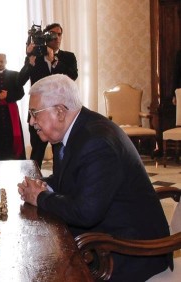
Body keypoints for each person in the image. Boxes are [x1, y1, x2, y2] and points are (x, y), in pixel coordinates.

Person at [17, 74, 172, 281]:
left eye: (34, 113)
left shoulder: (97, 142)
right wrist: (43, 184)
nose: (31, 121)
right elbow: (71, 179)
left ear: (60, 112)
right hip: (108, 234)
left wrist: (40, 197)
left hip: (130, 251)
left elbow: (86, 213)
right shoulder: (76, 130)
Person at [23, 23, 78, 168]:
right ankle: (33, 183)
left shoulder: (68, 57)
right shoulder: (35, 57)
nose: (57, 37)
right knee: (37, 152)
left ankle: (59, 186)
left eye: (59, 34)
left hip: (61, 113)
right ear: (46, 36)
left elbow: (73, 76)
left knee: (60, 153)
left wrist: (54, 60)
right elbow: (19, 81)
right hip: (38, 114)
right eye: (53, 34)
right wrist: (29, 58)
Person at [0, 53, 29, 160]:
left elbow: (21, 93)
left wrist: (8, 95)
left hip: (11, 112)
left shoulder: (15, 75)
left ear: (6, 61)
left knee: (12, 138)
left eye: (1, 61)